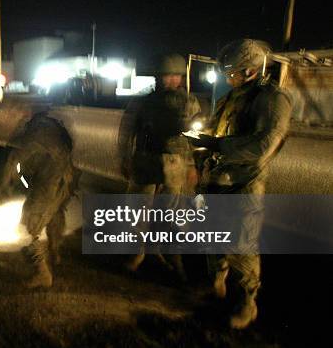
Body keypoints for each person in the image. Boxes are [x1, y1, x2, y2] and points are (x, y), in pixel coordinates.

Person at [187, 39, 292, 329]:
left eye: (231, 72)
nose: (226, 77)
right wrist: (201, 141)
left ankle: (248, 303)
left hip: (243, 184)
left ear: (250, 71)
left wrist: (218, 144)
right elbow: (215, 129)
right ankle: (217, 283)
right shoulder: (231, 97)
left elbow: (264, 145)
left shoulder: (272, 99)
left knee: (241, 243)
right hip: (217, 179)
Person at [120, 53, 201, 280]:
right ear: (158, 77)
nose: (171, 80)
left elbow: (195, 137)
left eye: (175, 76)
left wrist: (192, 165)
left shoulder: (190, 102)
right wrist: (124, 157)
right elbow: (127, 131)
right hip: (146, 159)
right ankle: (137, 254)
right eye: (166, 76)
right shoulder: (143, 101)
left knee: (173, 214)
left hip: (175, 162)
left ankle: (172, 257)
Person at [0, 113, 78, 288]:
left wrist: (6, 184)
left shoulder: (30, 136)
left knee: (31, 224)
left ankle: (42, 272)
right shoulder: (48, 129)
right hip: (64, 177)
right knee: (53, 213)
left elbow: (14, 162)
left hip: (52, 179)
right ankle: (54, 252)